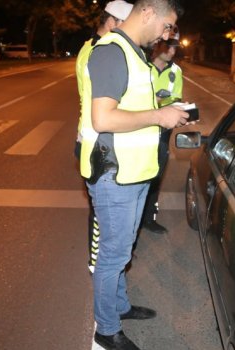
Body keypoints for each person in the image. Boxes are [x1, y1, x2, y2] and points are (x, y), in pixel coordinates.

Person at [78, 1, 187, 349]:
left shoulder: (136, 54)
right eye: (168, 25)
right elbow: (103, 119)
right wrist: (159, 116)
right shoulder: (112, 52)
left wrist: (165, 112)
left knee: (122, 252)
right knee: (113, 256)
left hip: (134, 172)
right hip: (115, 175)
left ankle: (120, 307)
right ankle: (106, 330)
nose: (167, 34)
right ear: (149, 13)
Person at [75, 0, 133, 275]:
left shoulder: (91, 47)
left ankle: (102, 266)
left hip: (94, 140)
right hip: (97, 143)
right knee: (101, 220)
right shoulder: (101, 51)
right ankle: (98, 268)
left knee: (100, 216)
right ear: (112, 22)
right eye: (125, 25)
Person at [141, 34, 183, 234]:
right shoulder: (141, 66)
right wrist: (156, 102)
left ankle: (149, 218)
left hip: (162, 135)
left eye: (176, 47)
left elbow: (176, 100)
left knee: (156, 177)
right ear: (158, 44)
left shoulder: (176, 71)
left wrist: (181, 112)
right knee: (137, 177)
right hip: (138, 132)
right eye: (170, 46)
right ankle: (133, 220)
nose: (173, 51)